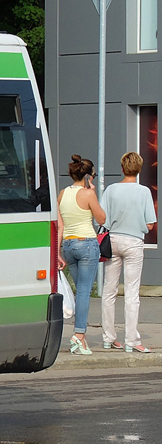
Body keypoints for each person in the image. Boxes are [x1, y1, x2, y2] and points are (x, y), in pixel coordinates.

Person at [99, 151, 157, 353]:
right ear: (139, 170)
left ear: (122, 168)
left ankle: (108, 337)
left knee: (109, 290)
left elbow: (103, 220)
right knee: (132, 293)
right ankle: (132, 340)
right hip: (133, 242)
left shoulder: (111, 190)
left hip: (112, 240)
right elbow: (150, 224)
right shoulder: (144, 192)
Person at [57, 154, 106, 355]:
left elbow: (59, 225)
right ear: (88, 176)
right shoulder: (88, 194)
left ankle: (81, 338)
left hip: (68, 245)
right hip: (86, 243)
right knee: (85, 291)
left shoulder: (62, 194)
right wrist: (93, 192)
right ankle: (79, 335)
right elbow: (102, 218)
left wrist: (58, 252)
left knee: (80, 291)